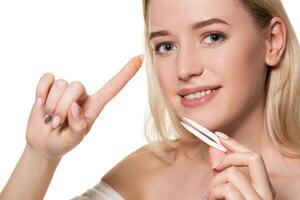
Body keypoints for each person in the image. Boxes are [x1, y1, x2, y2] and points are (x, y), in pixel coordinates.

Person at [1, 0, 300, 199]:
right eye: (166, 46)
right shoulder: (147, 173)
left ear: (272, 41)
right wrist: (40, 156)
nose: (185, 69)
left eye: (213, 37)